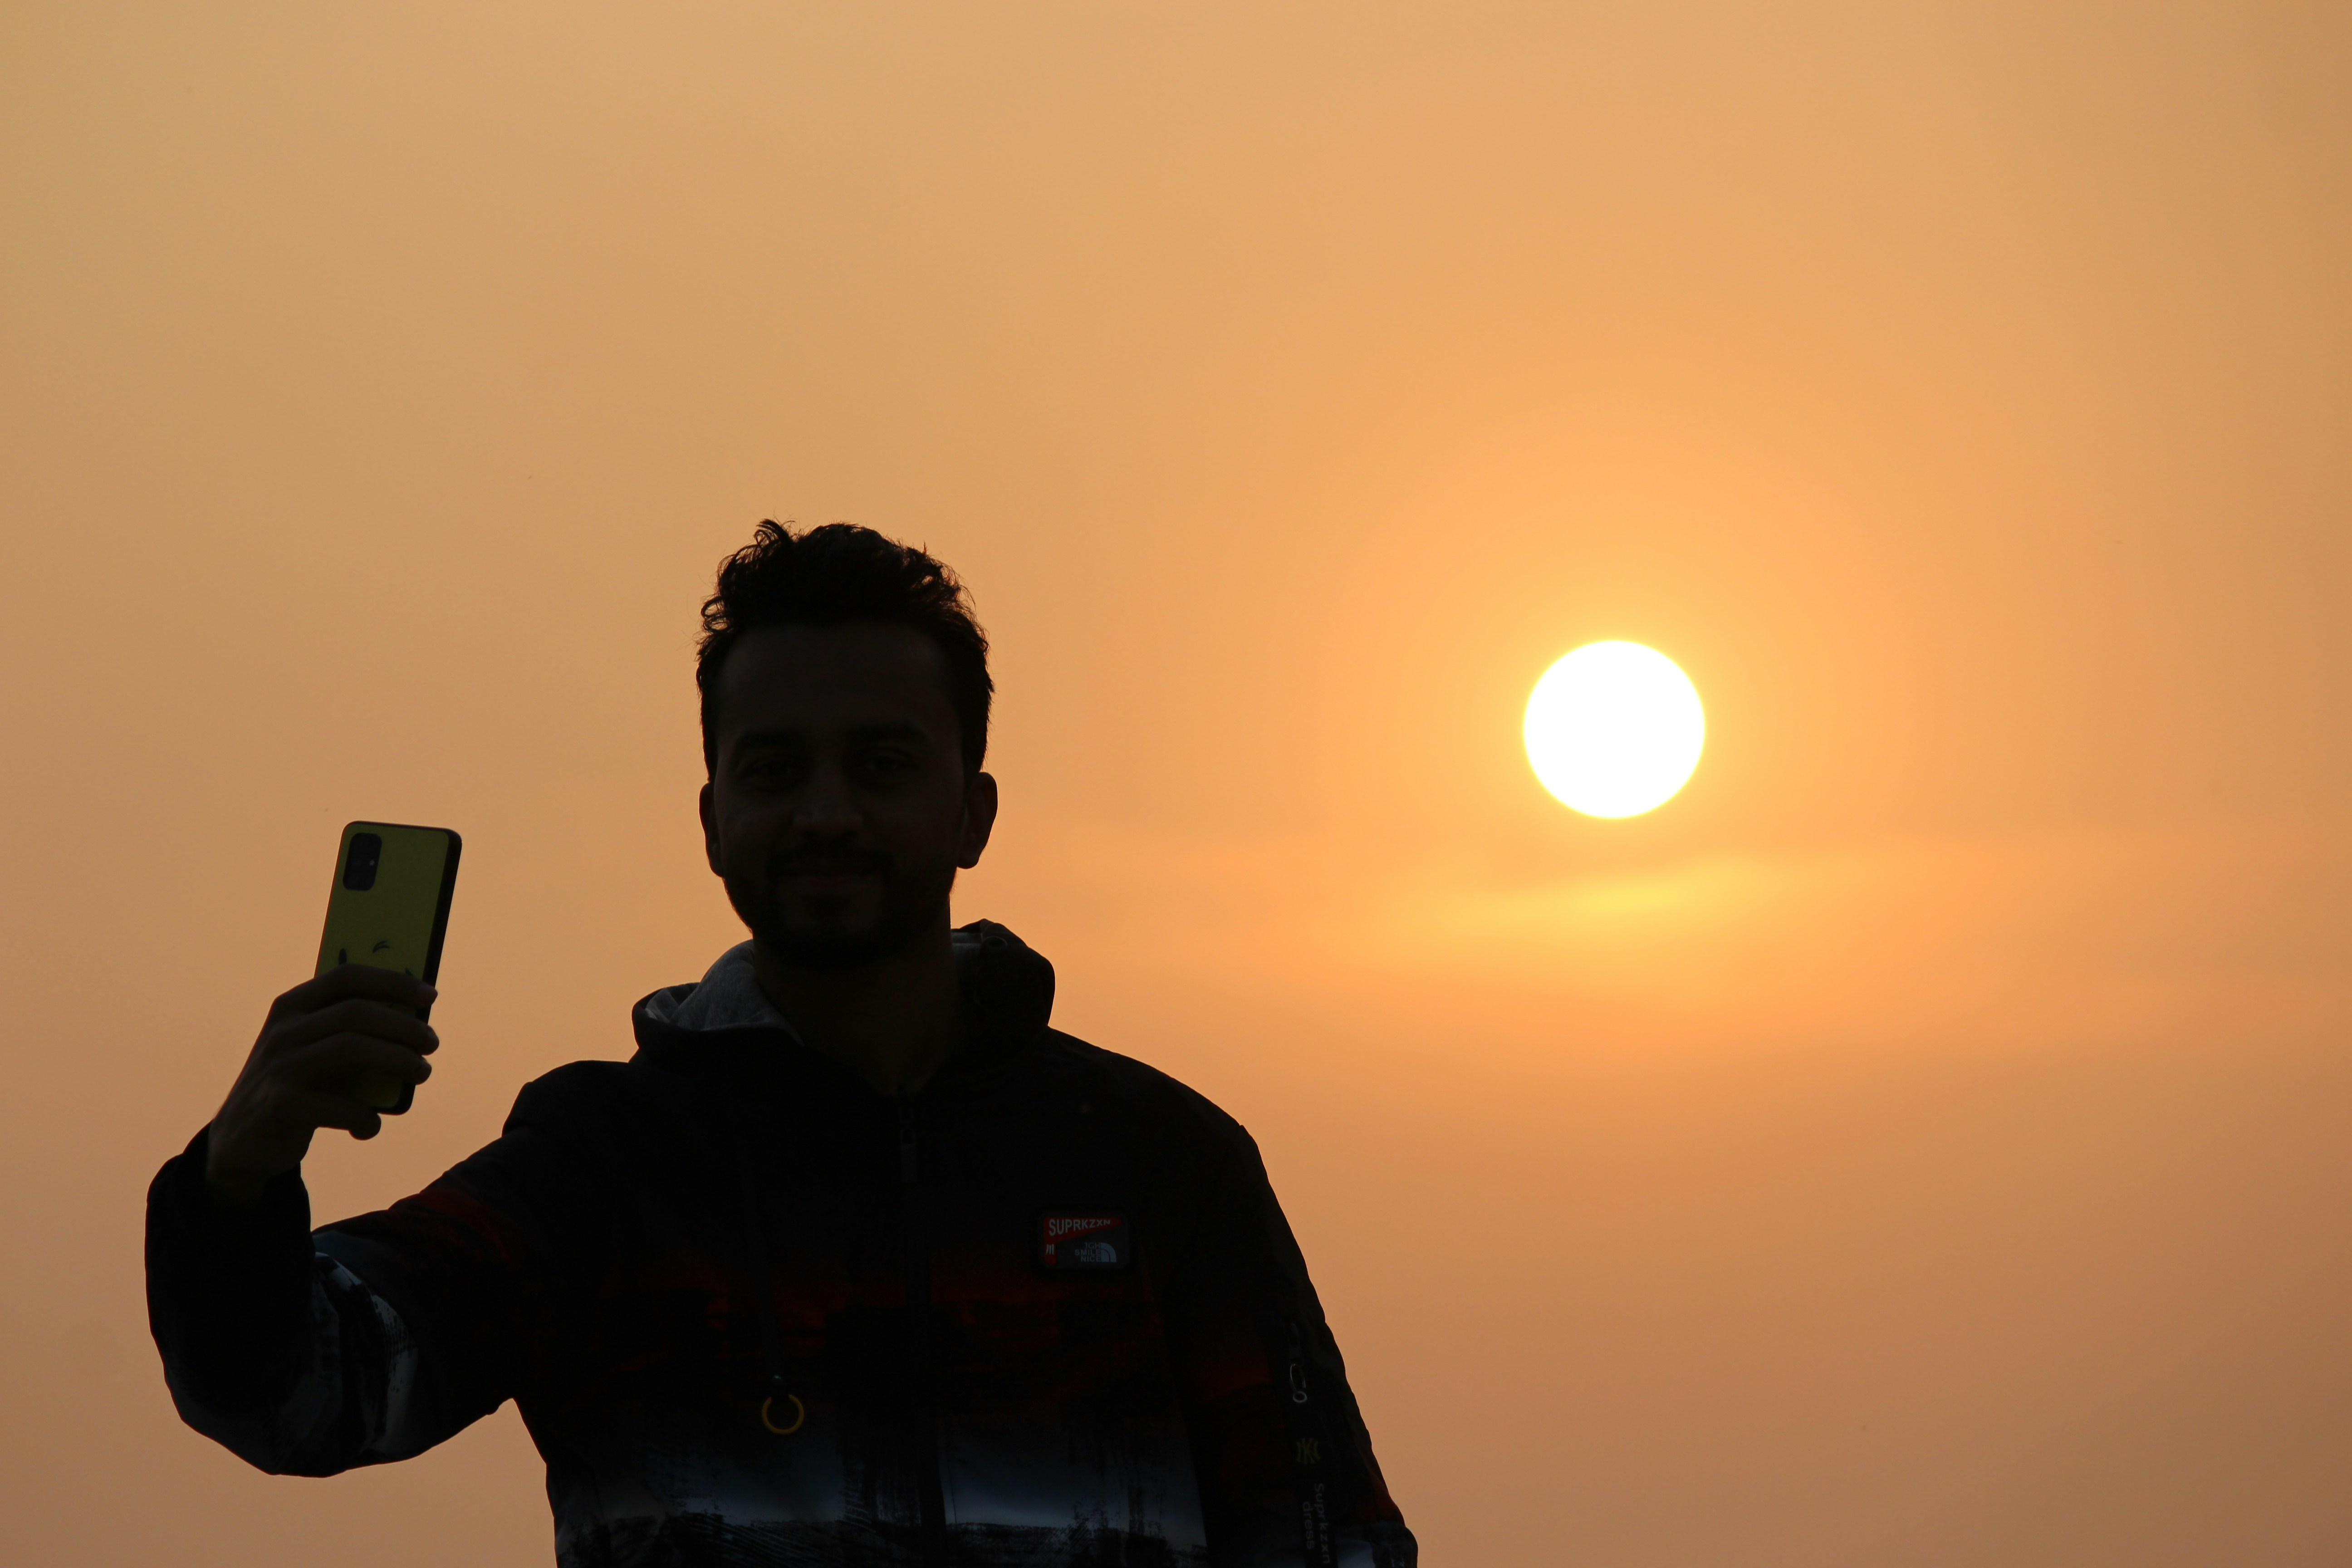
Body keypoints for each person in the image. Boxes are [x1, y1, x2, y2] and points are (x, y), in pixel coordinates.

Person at [145, 522, 1417, 1568]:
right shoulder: (605, 1167)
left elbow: (1328, 1542)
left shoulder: (1159, 1161)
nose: (825, 813)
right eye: (774, 769)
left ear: (971, 811)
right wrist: (240, 1173)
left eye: (878, 765)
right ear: (712, 818)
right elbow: (303, 1394)